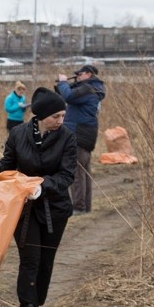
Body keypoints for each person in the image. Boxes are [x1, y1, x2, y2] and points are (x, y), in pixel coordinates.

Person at [0, 87, 76, 307]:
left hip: (54, 210)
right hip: (23, 209)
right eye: (56, 116)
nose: (61, 120)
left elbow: (67, 175)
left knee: (45, 262)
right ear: (41, 116)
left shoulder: (67, 138)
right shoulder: (18, 134)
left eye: (63, 115)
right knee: (30, 259)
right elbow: (8, 164)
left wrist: (43, 185)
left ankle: (36, 305)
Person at [55, 64, 106, 214]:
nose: (77, 76)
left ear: (89, 74)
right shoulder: (93, 89)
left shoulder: (87, 89)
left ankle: (78, 207)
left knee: (76, 172)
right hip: (86, 134)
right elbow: (65, 94)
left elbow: (68, 96)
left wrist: (63, 82)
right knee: (84, 172)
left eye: (80, 74)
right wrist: (61, 85)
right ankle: (85, 207)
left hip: (78, 135)